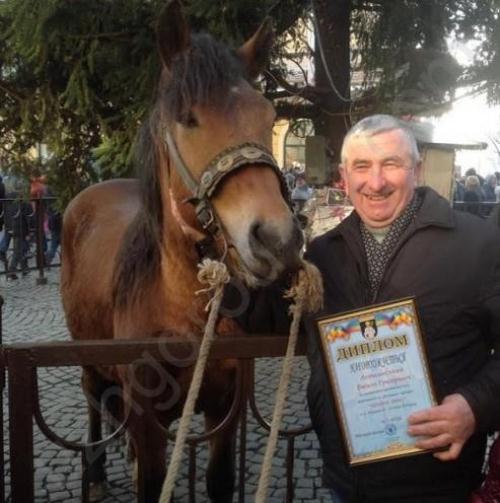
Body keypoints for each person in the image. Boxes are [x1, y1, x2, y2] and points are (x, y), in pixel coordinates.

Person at [236, 114, 500, 502]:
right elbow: (266, 320)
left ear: (417, 169)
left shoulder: (479, 244)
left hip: (439, 485)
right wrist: (231, 264)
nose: (375, 183)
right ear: (344, 176)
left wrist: (475, 407)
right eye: (362, 167)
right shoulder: (323, 255)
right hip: (348, 483)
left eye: (391, 164)